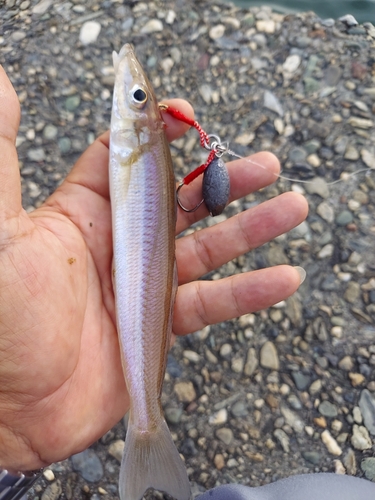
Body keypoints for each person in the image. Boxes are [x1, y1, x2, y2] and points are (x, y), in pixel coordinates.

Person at [0, 66, 373, 500]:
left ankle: (137, 427)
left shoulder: (137, 144)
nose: (130, 93)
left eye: (136, 96)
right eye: (140, 96)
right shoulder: (134, 145)